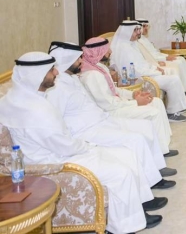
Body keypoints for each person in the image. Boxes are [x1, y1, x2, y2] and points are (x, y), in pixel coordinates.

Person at [0, 52, 162, 234]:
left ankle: (138, 209)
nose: (57, 72)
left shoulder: (18, 99)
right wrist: (86, 146)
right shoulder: (34, 110)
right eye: (51, 70)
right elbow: (63, 145)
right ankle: (125, 227)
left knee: (126, 155)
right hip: (54, 163)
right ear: (35, 75)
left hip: (61, 151)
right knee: (121, 173)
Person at [47, 41, 176, 190]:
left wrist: (132, 95)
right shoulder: (66, 85)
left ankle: (156, 170)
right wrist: (134, 102)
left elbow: (111, 92)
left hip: (101, 119)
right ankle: (152, 181)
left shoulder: (73, 78)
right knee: (136, 138)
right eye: (77, 59)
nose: (81, 61)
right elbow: (104, 104)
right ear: (67, 60)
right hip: (90, 128)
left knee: (145, 126)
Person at [80, 37, 177, 156]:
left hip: (117, 104)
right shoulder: (92, 75)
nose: (110, 51)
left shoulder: (100, 67)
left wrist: (133, 94)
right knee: (153, 113)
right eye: (106, 49)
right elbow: (108, 105)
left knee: (157, 102)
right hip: (110, 113)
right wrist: (136, 102)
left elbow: (113, 89)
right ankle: (160, 153)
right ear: (98, 51)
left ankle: (164, 146)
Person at [110, 20, 186, 122]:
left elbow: (143, 63)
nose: (139, 32)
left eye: (138, 29)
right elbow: (133, 72)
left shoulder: (131, 44)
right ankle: (172, 113)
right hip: (139, 79)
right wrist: (155, 71)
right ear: (126, 32)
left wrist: (155, 68)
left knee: (174, 78)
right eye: (135, 30)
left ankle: (177, 108)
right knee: (173, 80)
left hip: (147, 74)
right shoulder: (123, 49)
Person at [136, 18, 186, 93]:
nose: (146, 28)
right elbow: (150, 57)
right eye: (144, 26)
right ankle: (180, 89)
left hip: (158, 58)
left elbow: (155, 52)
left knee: (181, 59)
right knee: (178, 62)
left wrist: (167, 55)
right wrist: (165, 58)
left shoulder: (144, 39)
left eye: (147, 26)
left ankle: (183, 86)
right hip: (157, 60)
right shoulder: (139, 41)